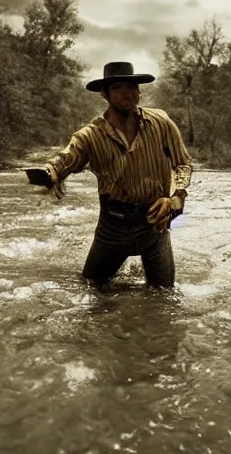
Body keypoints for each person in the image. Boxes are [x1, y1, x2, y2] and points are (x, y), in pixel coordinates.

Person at [27, 61, 193, 289]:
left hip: (153, 224)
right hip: (112, 227)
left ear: (139, 91)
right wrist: (49, 173)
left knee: (164, 296)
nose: (127, 93)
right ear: (104, 94)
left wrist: (176, 198)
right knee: (90, 289)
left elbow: (183, 163)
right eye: (118, 88)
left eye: (132, 86)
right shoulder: (89, 135)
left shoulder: (161, 122)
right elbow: (65, 160)